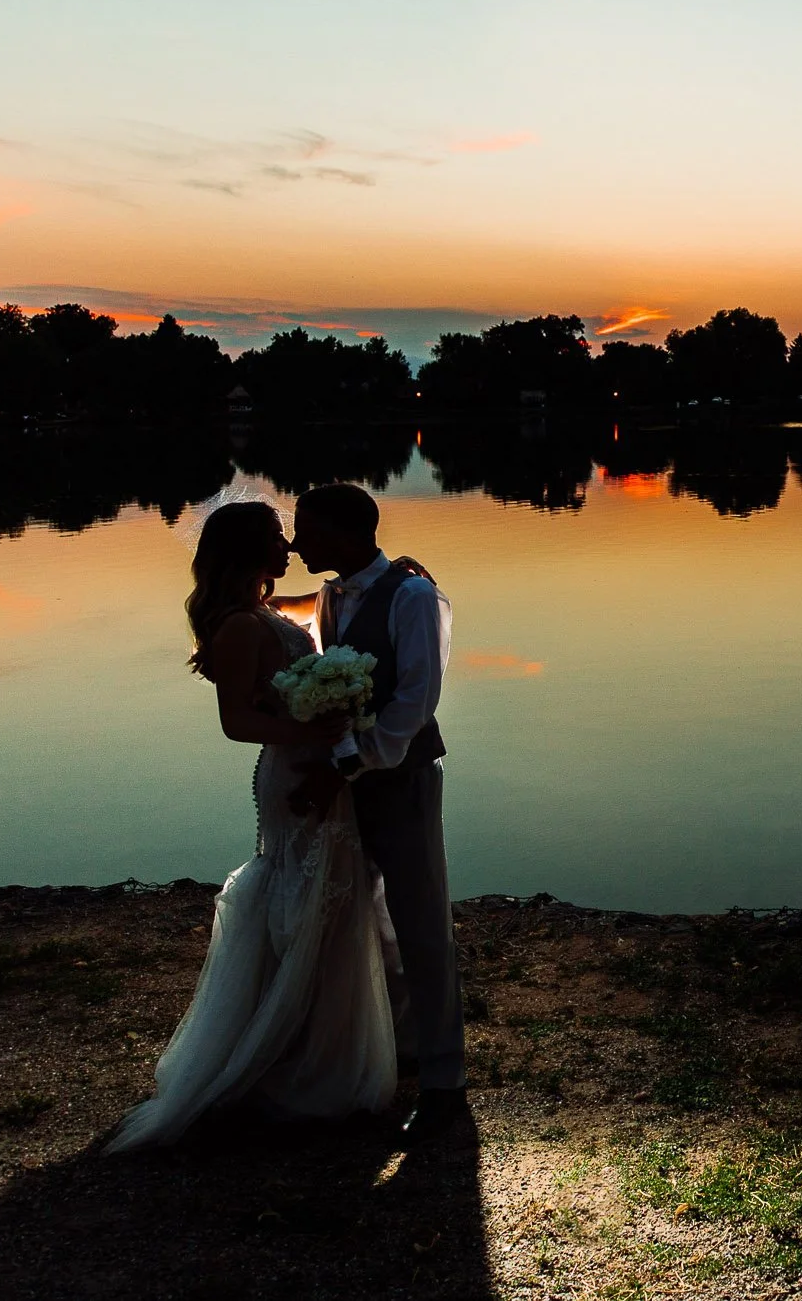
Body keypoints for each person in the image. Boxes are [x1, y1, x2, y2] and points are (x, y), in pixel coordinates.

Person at [104, 500, 397, 1151]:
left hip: (313, 762)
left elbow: (322, 598)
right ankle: (288, 1056)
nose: (288, 544)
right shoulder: (239, 627)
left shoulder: (260, 611)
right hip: (294, 774)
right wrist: (313, 731)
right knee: (306, 896)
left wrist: (386, 577)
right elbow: (236, 723)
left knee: (334, 894)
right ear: (244, 551)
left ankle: (315, 1039)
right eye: (273, 538)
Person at [289, 481, 469, 1135]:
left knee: (421, 921)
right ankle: (398, 1046)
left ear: (342, 531)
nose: (294, 541)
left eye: (304, 529)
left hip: (404, 775)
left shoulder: (414, 596)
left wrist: (349, 760)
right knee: (365, 916)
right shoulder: (332, 595)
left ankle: (445, 1078)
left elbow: (416, 699)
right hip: (352, 781)